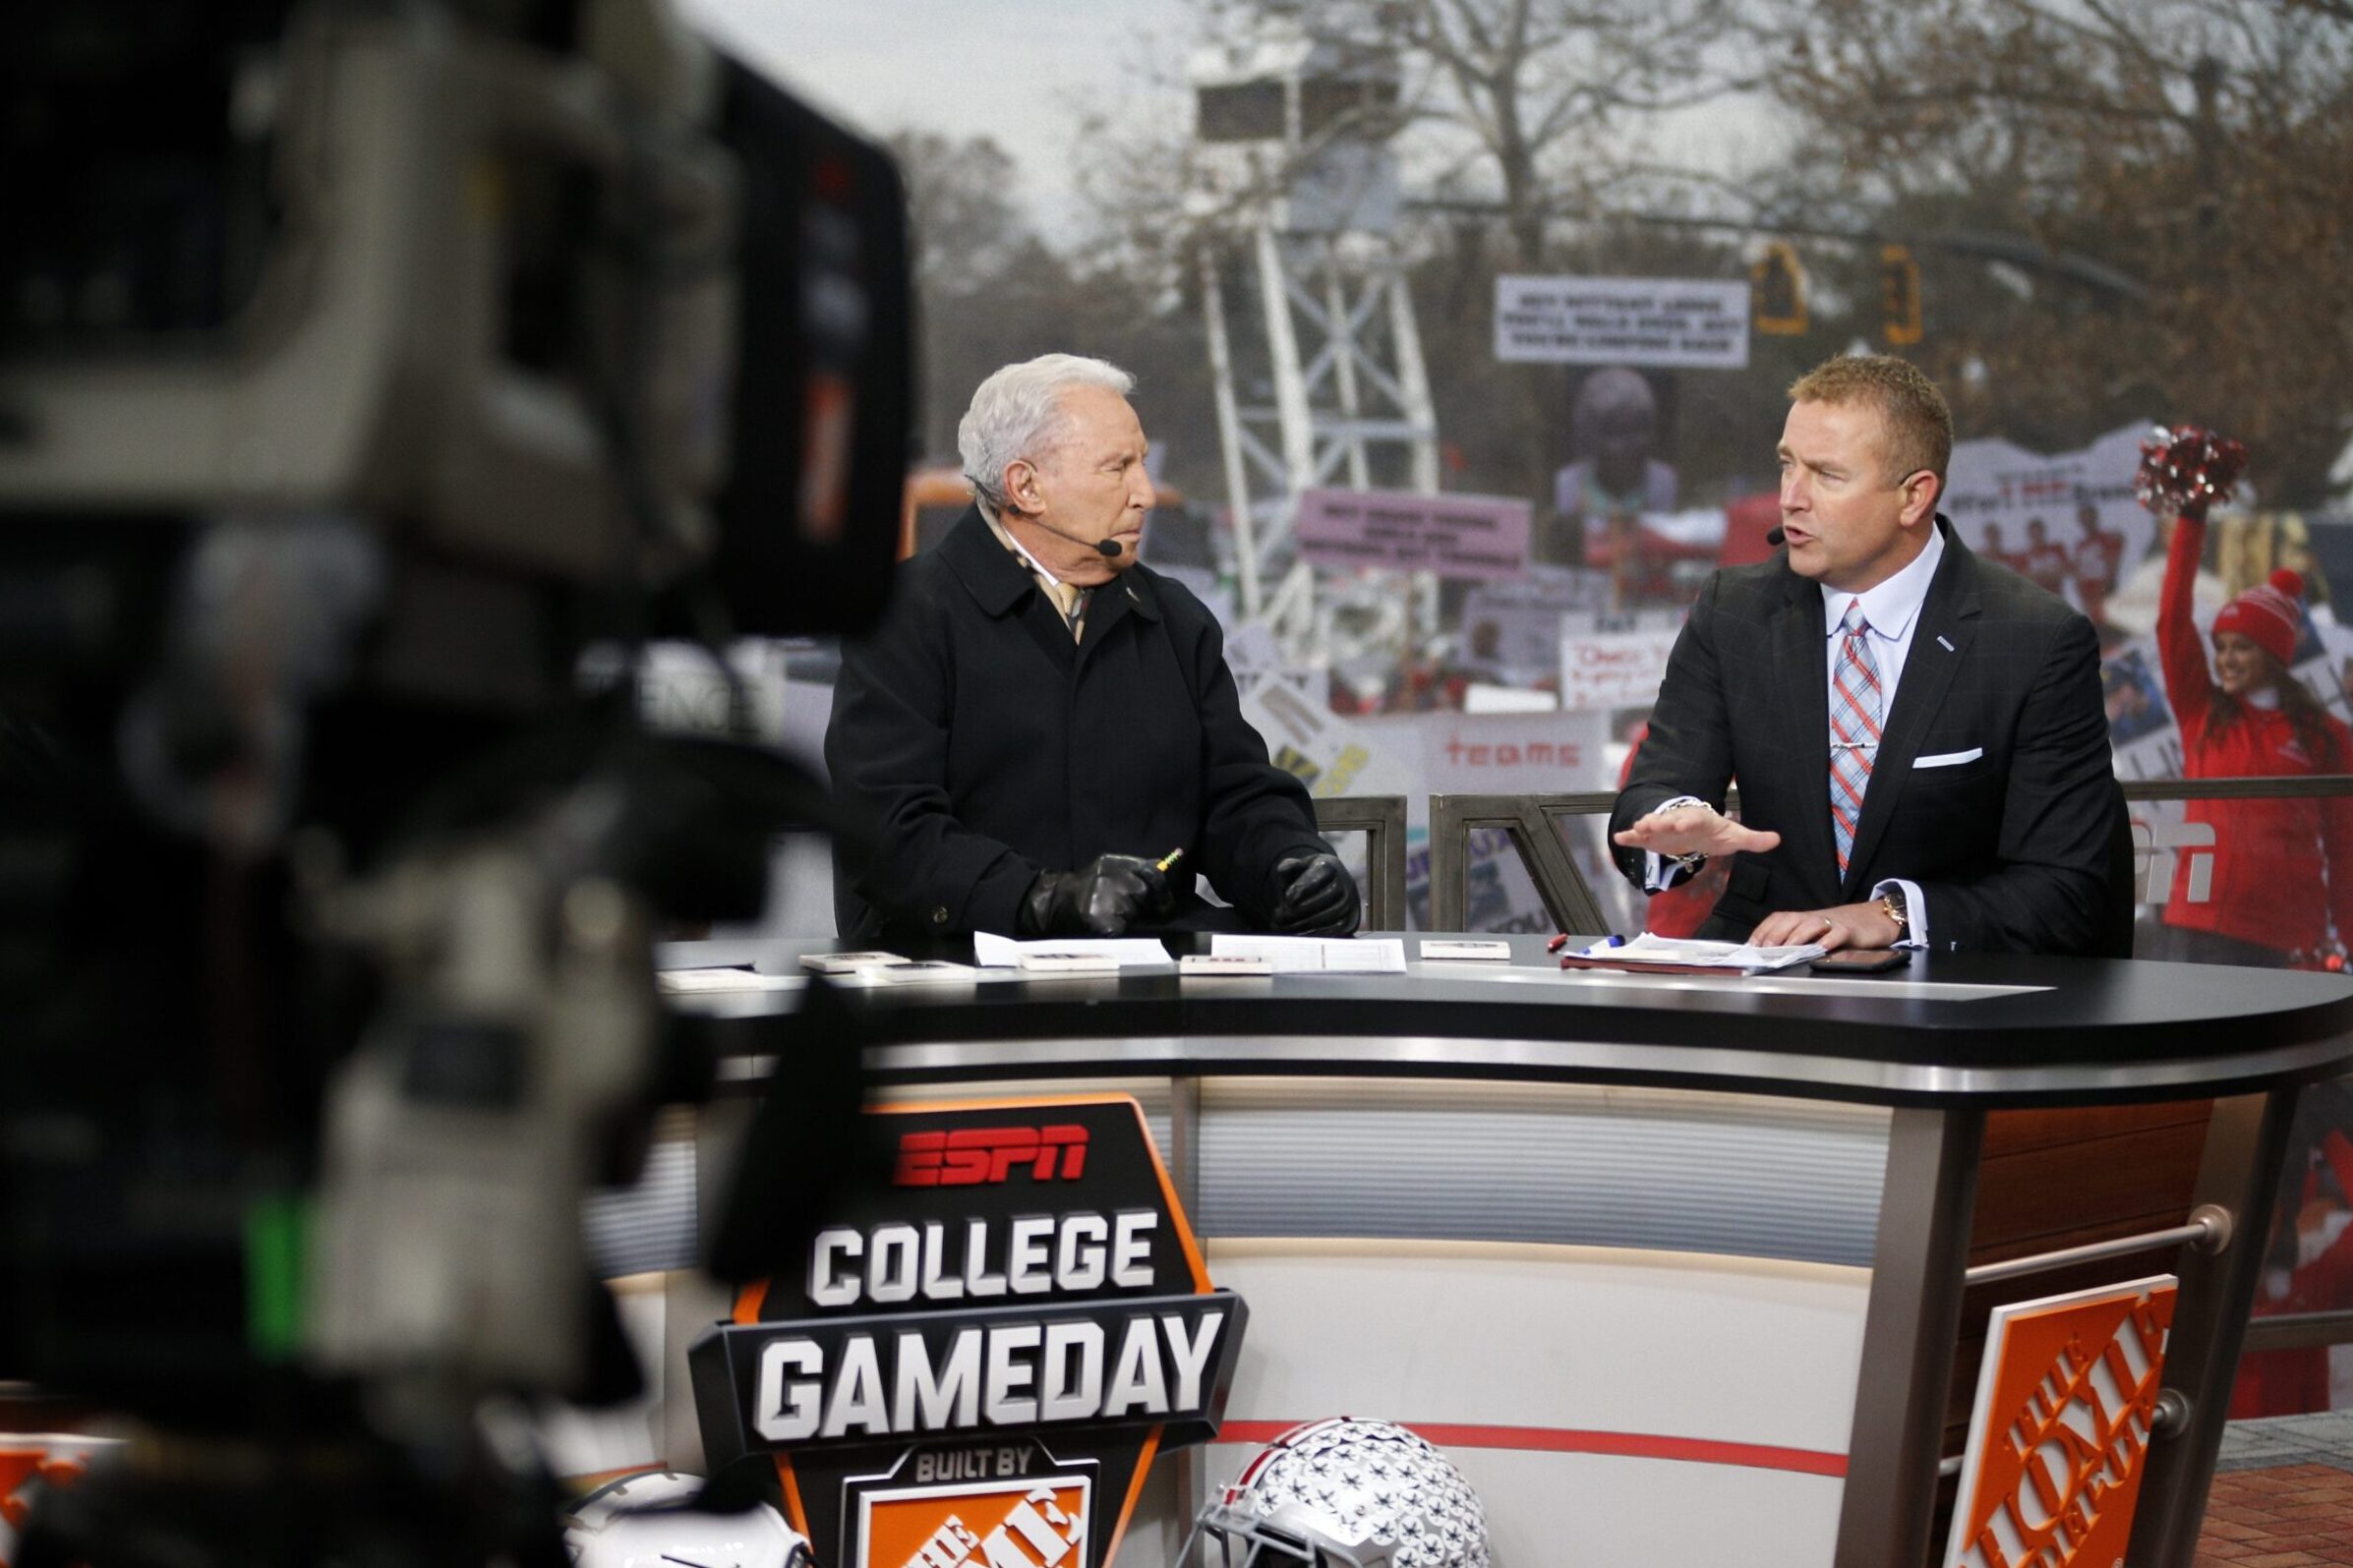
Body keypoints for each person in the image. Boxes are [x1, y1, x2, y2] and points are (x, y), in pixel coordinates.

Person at [826, 354, 1358, 943]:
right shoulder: (906, 613)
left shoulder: (1176, 620)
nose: (1145, 495)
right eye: (1118, 468)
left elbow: (1234, 796)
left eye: (1143, 466)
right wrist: (1039, 900)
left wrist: (1290, 865)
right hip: (955, 979)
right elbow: (887, 828)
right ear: (1026, 487)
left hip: (1152, 984)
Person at [1608, 354, 2120, 955]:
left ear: (1913, 496)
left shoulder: (2033, 641)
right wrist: (1676, 825)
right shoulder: (1734, 612)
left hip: (1951, 992)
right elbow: (1655, 789)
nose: (1791, 498)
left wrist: (1894, 915)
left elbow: (2067, 893)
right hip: (1765, 977)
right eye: (1786, 465)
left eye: (1826, 475)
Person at [2151, 509, 2353, 967]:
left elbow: (2345, 846)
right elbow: (2172, 621)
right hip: (2198, 924)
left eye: (2241, 647)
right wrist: (2191, 519)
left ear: (2274, 654)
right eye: (2220, 647)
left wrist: (2348, 937)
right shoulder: (2201, 711)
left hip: (2288, 935)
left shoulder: (2327, 734)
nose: (2226, 659)